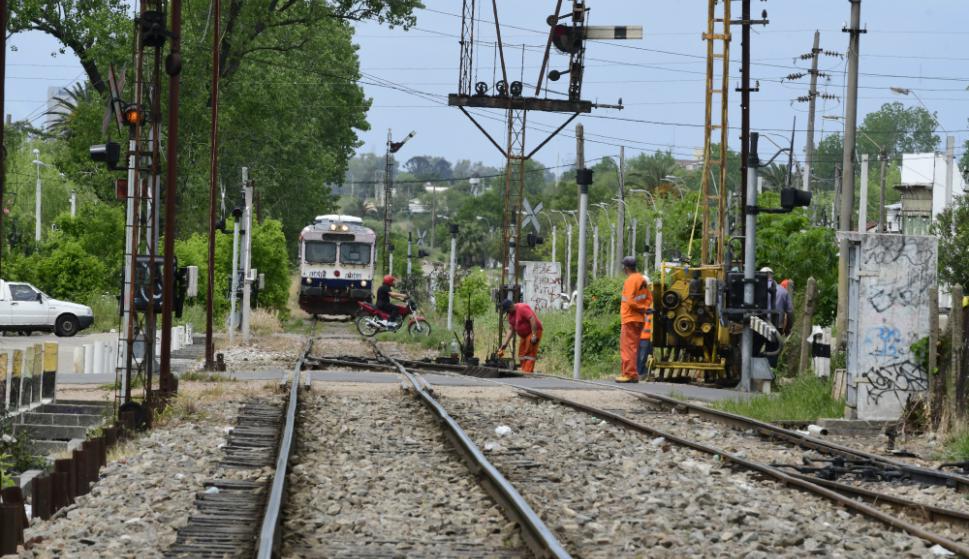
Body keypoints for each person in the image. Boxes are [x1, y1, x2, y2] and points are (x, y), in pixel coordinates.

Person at [617, 256, 652, 383]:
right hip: (639, 319)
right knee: (633, 347)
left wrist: (641, 308)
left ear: (625, 268)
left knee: (627, 347)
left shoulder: (630, 281)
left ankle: (629, 374)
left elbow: (631, 302)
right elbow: (649, 298)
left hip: (629, 318)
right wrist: (645, 308)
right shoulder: (641, 279)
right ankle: (632, 373)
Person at [499, 299, 543, 373]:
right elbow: (511, 329)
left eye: (508, 310)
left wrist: (534, 335)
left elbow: (532, 319)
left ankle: (527, 372)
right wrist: (504, 344)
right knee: (521, 354)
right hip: (524, 335)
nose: (508, 312)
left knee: (529, 353)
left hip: (534, 331)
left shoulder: (522, 308)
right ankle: (524, 370)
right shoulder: (510, 315)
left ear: (511, 306)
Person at [636, 280, 655, 378]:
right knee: (642, 356)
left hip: (648, 336)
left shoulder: (646, 304)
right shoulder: (645, 305)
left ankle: (644, 373)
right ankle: (640, 373)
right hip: (644, 336)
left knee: (647, 356)